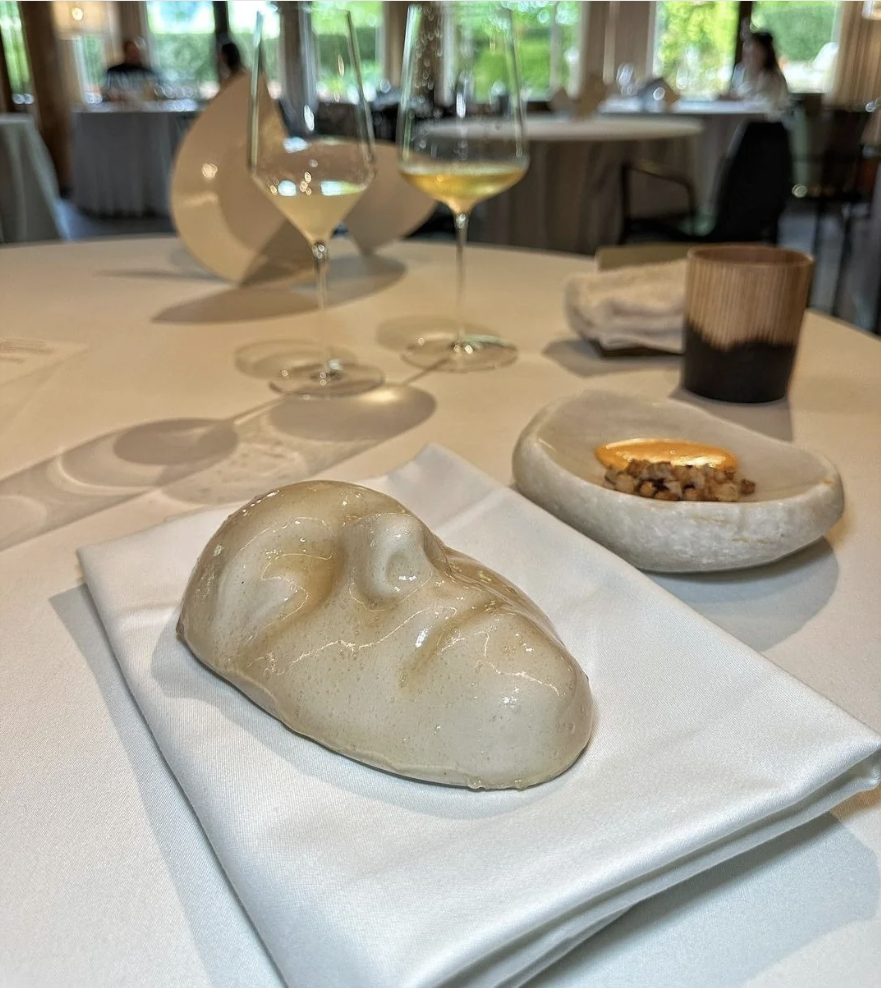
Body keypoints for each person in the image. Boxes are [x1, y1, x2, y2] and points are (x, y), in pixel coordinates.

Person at [728, 31, 790, 112]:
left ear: (765, 54)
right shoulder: (740, 71)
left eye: (754, 54)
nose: (749, 58)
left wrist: (741, 98)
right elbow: (734, 94)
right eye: (746, 54)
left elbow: (771, 107)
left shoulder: (775, 78)